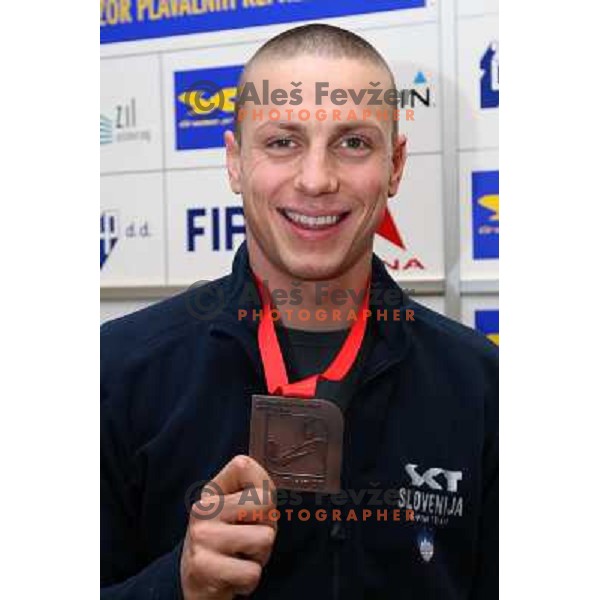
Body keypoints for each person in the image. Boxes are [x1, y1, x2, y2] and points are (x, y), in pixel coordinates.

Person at [101, 24, 498, 599]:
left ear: (396, 165)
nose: (316, 180)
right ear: (235, 161)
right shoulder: (118, 371)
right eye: (283, 142)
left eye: (353, 143)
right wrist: (177, 585)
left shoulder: (480, 383)